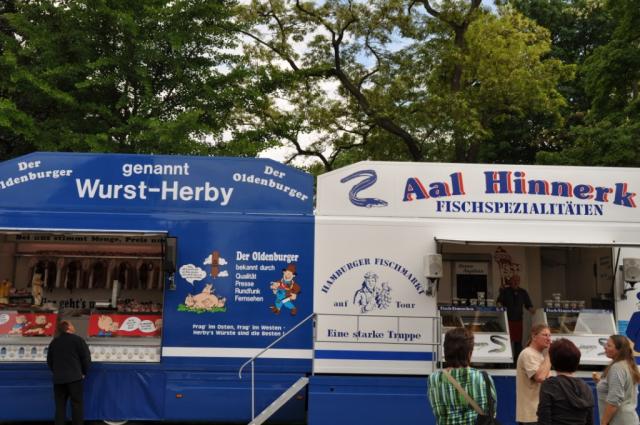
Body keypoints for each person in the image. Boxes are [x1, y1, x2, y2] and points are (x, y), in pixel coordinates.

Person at [428, 327, 497, 425]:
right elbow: (492, 413)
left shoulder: (433, 379)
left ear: (446, 351)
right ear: (469, 353)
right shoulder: (483, 378)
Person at [537, 338, 594, 425]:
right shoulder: (586, 387)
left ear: (553, 361)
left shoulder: (549, 385)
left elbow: (544, 419)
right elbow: (589, 421)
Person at [47, 320, 91, 425]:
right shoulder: (78, 340)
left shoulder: (54, 342)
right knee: (77, 404)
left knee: (60, 406)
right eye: (72, 324)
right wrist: (83, 372)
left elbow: (49, 361)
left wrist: (56, 372)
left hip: (58, 379)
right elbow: (86, 358)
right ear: (69, 328)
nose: (73, 326)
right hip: (75, 378)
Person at [593, 335, 640, 425]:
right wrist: (601, 382)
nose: (605, 347)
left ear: (619, 350)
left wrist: (604, 422)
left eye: (609, 345)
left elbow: (614, 400)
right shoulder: (628, 365)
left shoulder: (617, 368)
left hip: (618, 421)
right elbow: (622, 389)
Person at [516, 323, 552, 425]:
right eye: (545, 335)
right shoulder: (528, 353)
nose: (549, 339)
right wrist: (550, 354)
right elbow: (540, 377)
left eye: (550, 335)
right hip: (531, 416)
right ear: (534, 336)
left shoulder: (539, 355)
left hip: (538, 415)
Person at [497, 269, 535, 361]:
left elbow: (528, 305)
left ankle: (517, 360)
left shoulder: (523, 292)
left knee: (518, 342)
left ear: (519, 282)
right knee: (507, 341)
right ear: (510, 281)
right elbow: (498, 302)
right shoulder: (505, 291)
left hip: (518, 320)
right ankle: (506, 360)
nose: (515, 282)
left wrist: (535, 312)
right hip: (507, 321)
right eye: (514, 280)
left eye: (517, 280)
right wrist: (499, 305)